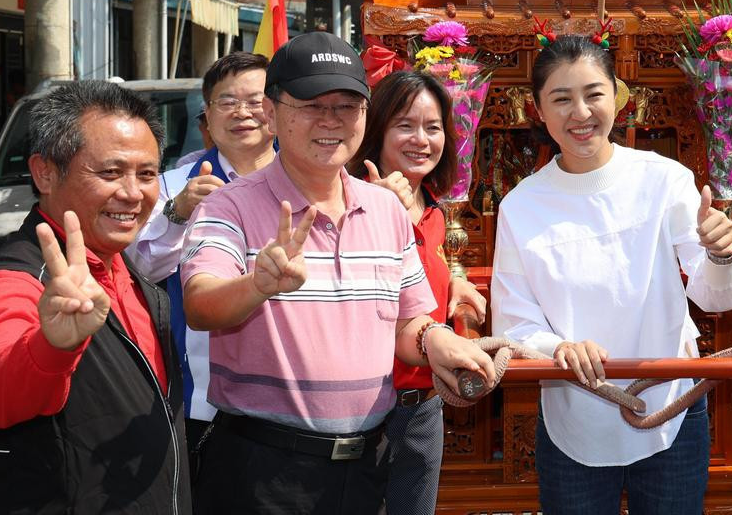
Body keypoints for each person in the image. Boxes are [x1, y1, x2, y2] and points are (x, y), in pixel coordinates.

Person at [180, 32, 495, 514]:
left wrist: (438, 341)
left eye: (347, 106)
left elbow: (407, 324)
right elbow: (201, 304)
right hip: (262, 473)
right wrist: (257, 284)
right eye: (310, 104)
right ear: (271, 111)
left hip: (365, 466)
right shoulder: (229, 205)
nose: (330, 121)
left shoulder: (387, 209)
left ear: (365, 114)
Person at [491, 35, 732, 515]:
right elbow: (512, 323)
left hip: (670, 406)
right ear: (538, 110)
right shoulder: (520, 205)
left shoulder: (663, 179)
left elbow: (716, 298)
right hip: (574, 417)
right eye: (561, 99)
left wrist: (720, 254)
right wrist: (559, 348)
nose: (581, 113)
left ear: (617, 95)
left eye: (594, 93)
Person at [0, 81, 191, 512]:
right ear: (45, 173)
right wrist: (52, 345)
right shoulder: (17, 281)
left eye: (147, 174)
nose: (133, 193)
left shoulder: (130, 272)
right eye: (111, 172)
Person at [347, 70, 488, 515]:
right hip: (362, 410)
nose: (421, 140)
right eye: (405, 125)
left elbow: (425, 272)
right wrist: (367, 208)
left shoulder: (432, 207)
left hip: (422, 407)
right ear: (378, 131)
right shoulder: (346, 200)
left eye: (433, 127)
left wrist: (455, 280)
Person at [127, 52, 276, 452]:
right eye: (227, 102)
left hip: (291, 403)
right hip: (198, 400)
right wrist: (177, 214)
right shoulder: (168, 187)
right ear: (207, 118)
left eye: (256, 101)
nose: (242, 113)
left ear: (278, 111)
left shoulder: (315, 185)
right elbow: (135, 272)